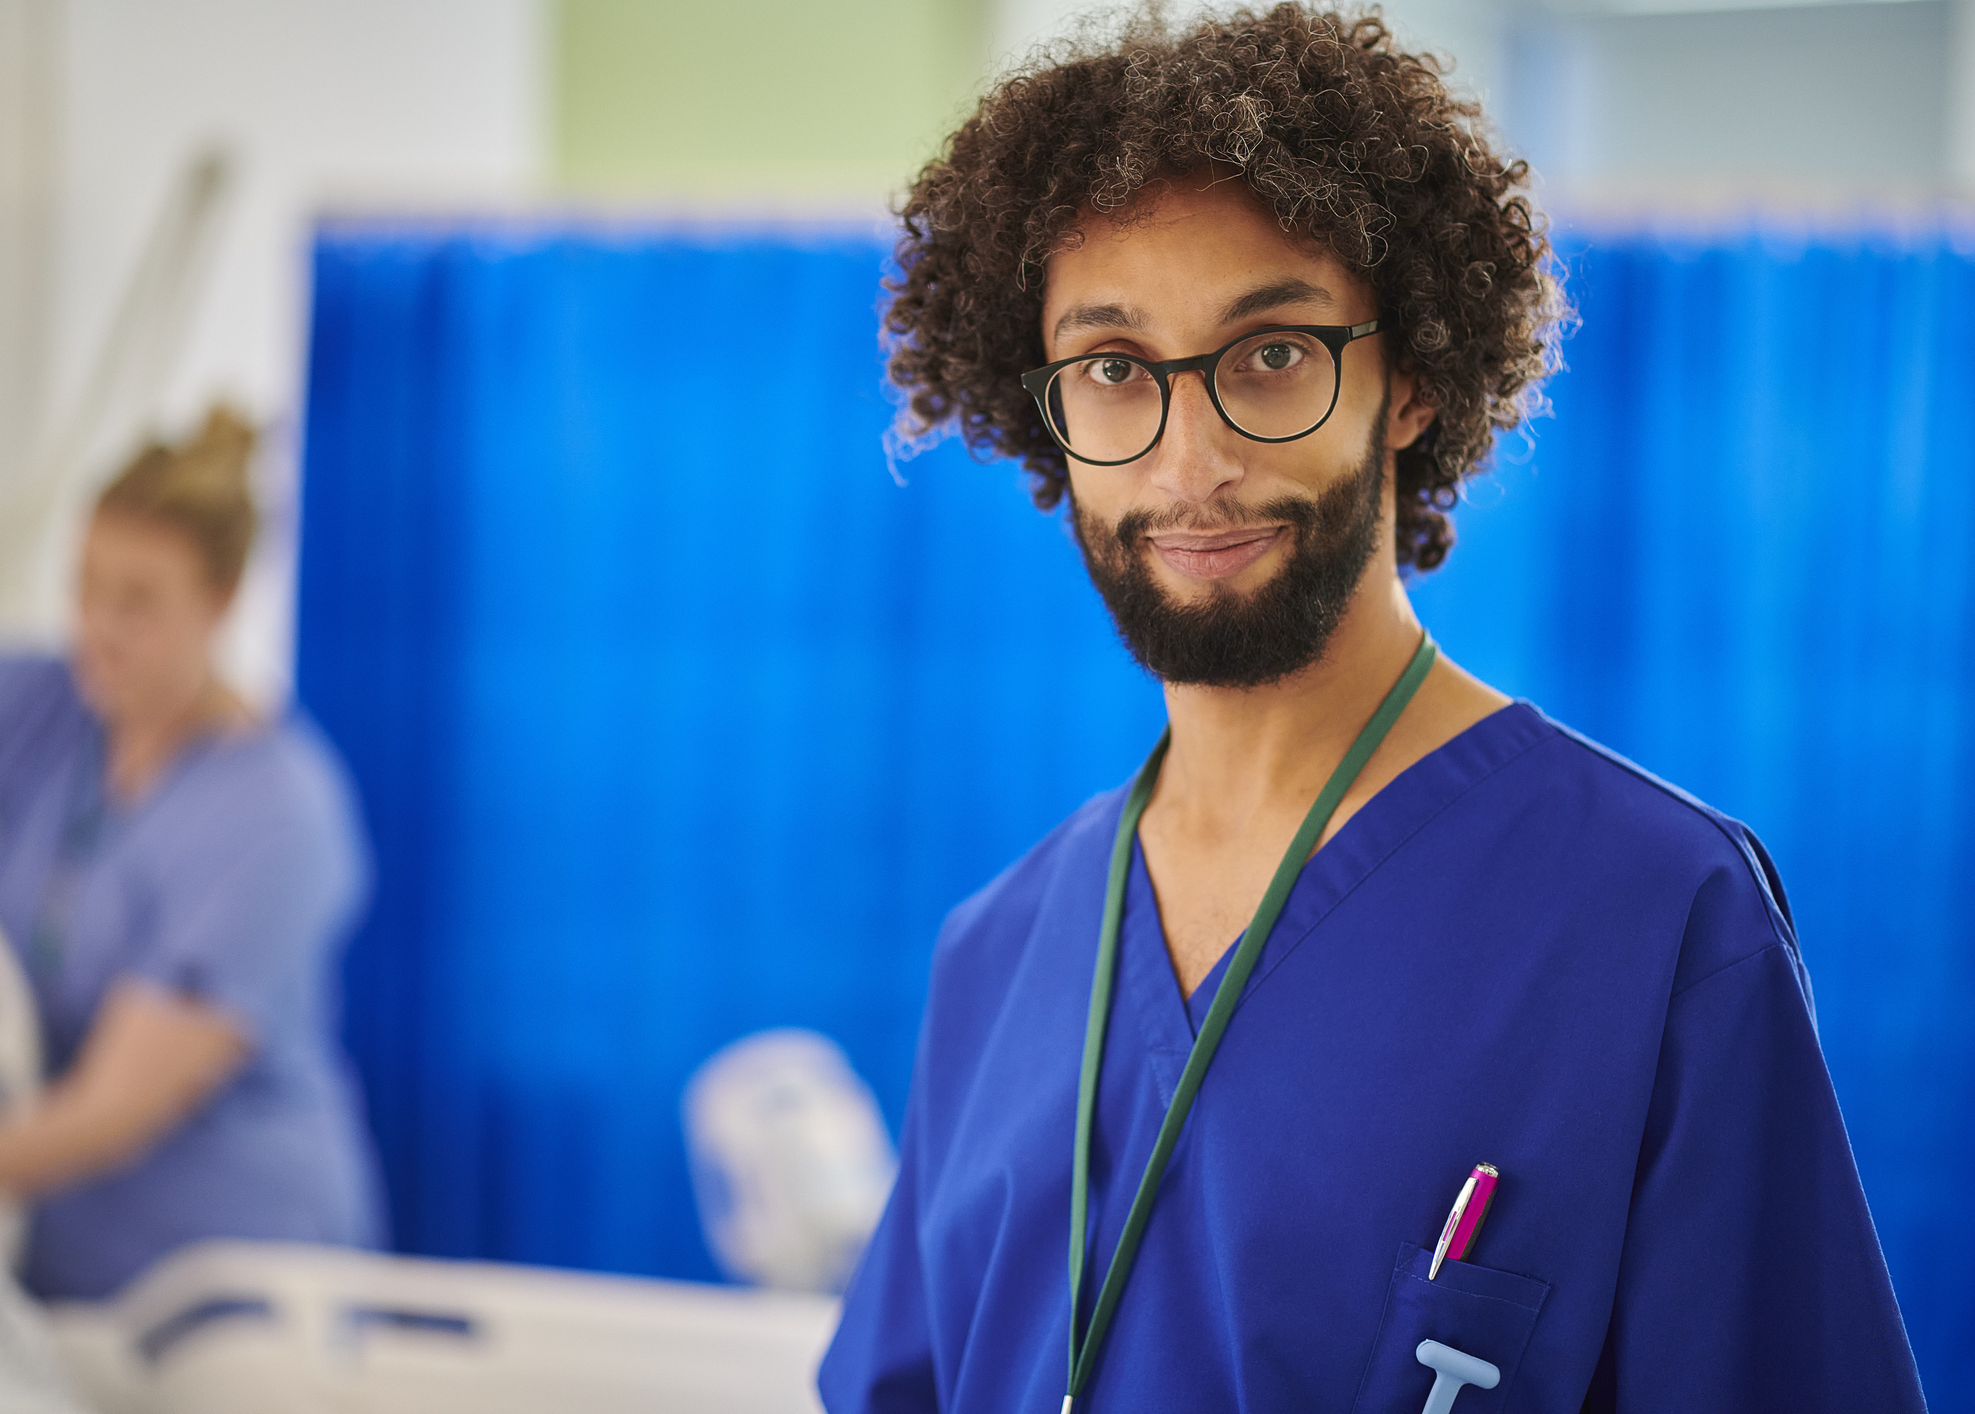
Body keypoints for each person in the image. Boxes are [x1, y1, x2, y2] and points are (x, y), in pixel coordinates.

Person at [819, 8, 1927, 1413]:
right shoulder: (995, 956)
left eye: (1270, 352)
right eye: (1112, 370)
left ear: (1403, 381)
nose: (1191, 457)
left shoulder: (1654, 915)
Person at [0, 408, 382, 1301]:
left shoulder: (277, 814)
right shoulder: (45, 707)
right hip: (58, 1277)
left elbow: (114, 1110)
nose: (96, 626)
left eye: (137, 601)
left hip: (238, 1289)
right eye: (85, 586)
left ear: (220, 601)